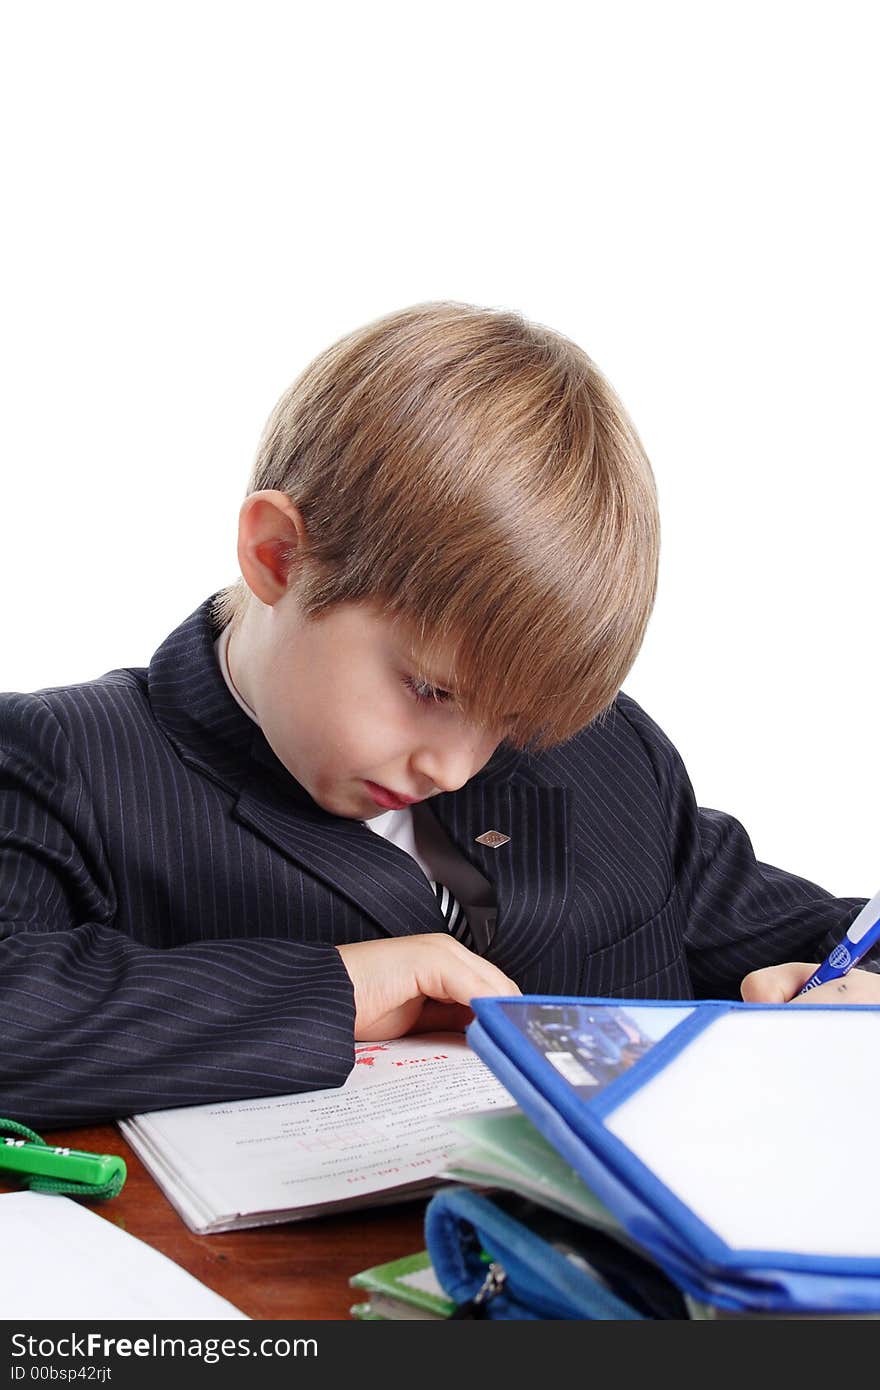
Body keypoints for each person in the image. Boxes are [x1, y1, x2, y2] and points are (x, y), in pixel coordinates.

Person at [1, 301, 878, 1130]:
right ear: (278, 556)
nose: (457, 766)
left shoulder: (606, 754)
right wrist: (332, 991)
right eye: (431, 691)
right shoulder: (57, 761)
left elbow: (820, 930)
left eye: (510, 722)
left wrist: (852, 986)